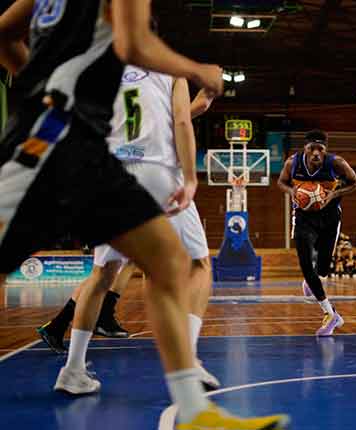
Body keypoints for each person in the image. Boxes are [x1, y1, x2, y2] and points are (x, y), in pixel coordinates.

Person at [0, 1, 287, 428]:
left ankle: (193, 412)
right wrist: (198, 71)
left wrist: (37, 85)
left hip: (91, 148)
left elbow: (4, 34)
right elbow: (135, 44)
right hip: (54, 141)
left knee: (165, 261)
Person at [49, 63, 220, 393]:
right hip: (156, 172)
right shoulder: (170, 71)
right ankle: (188, 361)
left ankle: (72, 370)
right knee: (199, 266)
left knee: (102, 275)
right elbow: (179, 121)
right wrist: (190, 176)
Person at [277, 129, 356, 335]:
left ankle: (315, 281)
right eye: (311, 148)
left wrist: (334, 194)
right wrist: (292, 191)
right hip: (304, 217)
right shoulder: (292, 163)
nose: (315, 153)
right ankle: (330, 314)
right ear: (305, 149)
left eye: (320, 149)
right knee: (305, 262)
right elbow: (281, 182)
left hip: (330, 217)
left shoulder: (336, 163)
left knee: (322, 270)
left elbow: (355, 183)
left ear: (325, 151)